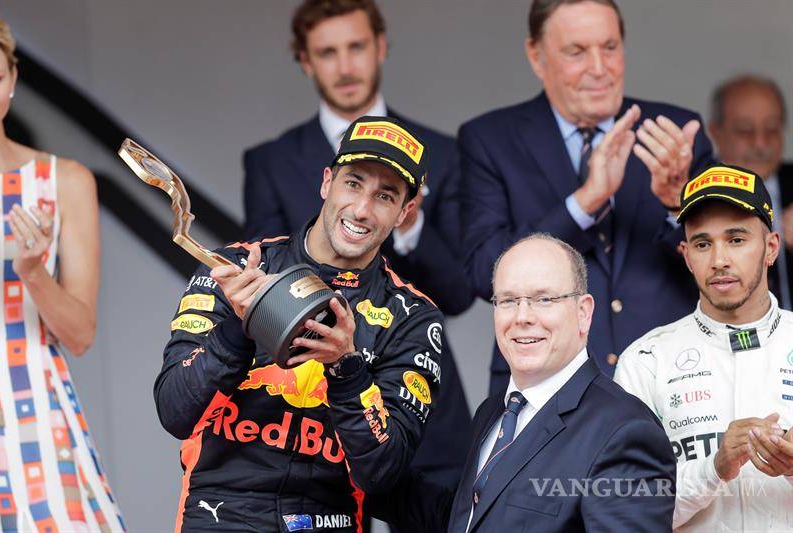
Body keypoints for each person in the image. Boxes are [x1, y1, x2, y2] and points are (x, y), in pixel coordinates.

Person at [156, 116, 448, 532]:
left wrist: (347, 369)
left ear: (405, 212)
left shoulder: (412, 318)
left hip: (329, 522)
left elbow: (383, 473)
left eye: (385, 196)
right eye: (353, 183)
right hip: (218, 515)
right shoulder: (236, 269)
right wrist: (237, 329)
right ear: (327, 182)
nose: (361, 210)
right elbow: (174, 412)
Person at [242, 0, 472, 489]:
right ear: (305, 61)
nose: (345, 66)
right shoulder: (271, 162)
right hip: (308, 404)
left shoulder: (442, 153)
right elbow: (266, 278)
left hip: (420, 391)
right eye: (328, 52)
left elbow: (457, 293)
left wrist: (408, 223)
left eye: (356, 47)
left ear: (381, 47)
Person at [459, 0, 714, 392]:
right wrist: (584, 203)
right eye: (576, 52)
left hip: (675, 380)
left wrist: (677, 205)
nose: (599, 68)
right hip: (543, 386)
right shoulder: (490, 139)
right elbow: (483, 273)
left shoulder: (674, 133)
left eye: (609, 47)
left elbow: (725, 266)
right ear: (536, 56)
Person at [370, 234, 677, 533]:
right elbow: (465, 521)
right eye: (508, 300)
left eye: (543, 299)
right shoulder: (494, 412)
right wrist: (360, 445)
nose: (522, 317)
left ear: (583, 312)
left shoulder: (625, 431)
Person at [0, 12, 125, 532]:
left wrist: (33, 273)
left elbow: (80, 334)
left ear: (13, 79)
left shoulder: (63, 181)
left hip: (33, 411)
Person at [615, 164, 793, 531]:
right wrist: (713, 468)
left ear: (771, 248)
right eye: (702, 244)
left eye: (736, 239)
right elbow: (626, 507)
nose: (719, 260)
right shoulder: (646, 361)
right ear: (686, 256)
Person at [708, 75, 793, 309]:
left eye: (772, 129)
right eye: (745, 130)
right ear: (715, 132)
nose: (760, 143)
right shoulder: (693, 192)